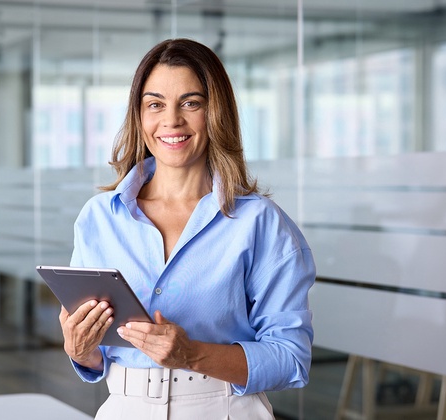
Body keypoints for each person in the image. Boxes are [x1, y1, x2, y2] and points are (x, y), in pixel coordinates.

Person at [59, 38, 315, 419]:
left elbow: (291, 358)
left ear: (216, 113)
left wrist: (192, 354)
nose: (171, 120)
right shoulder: (99, 218)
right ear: (139, 115)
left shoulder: (259, 223)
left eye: (191, 103)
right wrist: (81, 350)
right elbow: (98, 356)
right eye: (155, 104)